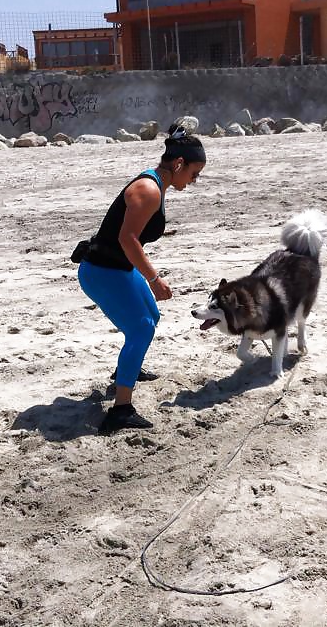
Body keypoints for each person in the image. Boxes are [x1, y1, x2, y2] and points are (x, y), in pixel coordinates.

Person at [77, 124, 206, 435]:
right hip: (101, 271)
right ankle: (121, 410)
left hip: (117, 267)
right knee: (141, 327)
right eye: (194, 173)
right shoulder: (149, 189)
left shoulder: (158, 183)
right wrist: (154, 278)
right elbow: (127, 238)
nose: (194, 180)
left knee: (150, 315)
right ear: (178, 165)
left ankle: (127, 368)